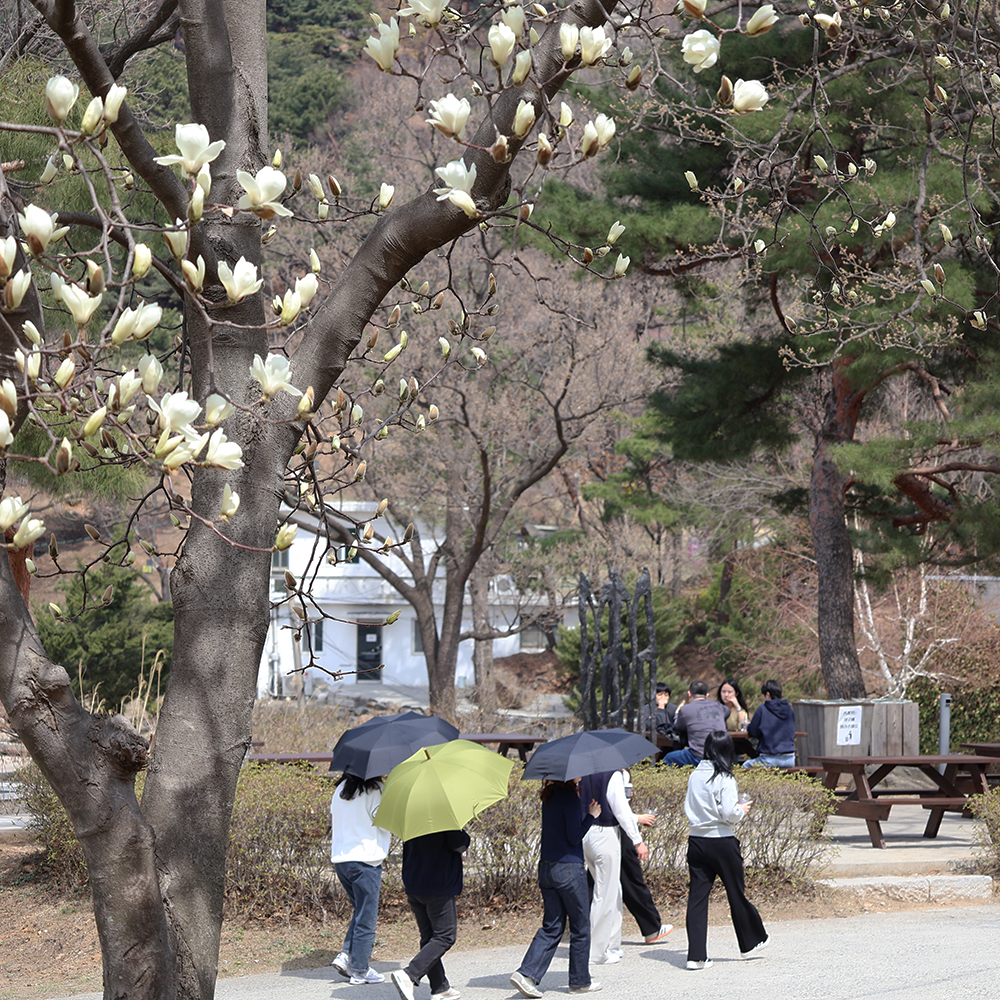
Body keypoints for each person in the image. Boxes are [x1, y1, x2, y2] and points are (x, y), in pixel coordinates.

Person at [509, 779, 603, 998]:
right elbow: (574, 836)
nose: (581, 776)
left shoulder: (548, 797)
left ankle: (526, 974)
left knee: (552, 926)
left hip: (547, 868)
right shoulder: (569, 798)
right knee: (580, 926)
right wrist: (591, 815)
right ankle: (579, 982)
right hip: (569, 869)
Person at [684, 731, 769, 970]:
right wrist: (742, 809)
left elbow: (688, 805)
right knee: (735, 893)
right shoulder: (725, 778)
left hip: (697, 841)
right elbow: (730, 814)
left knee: (697, 899)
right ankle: (751, 942)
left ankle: (696, 956)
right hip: (722, 841)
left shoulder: (694, 776)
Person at [390, 827, 470, 1000]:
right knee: (445, 936)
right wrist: (465, 838)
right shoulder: (444, 815)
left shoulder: (411, 815)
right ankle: (410, 974)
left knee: (429, 937)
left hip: (414, 882)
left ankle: (440, 987)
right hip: (437, 883)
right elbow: (457, 842)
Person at [579, 769, 647, 965]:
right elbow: (621, 810)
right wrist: (637, 840)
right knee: (606, 893)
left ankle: (612, 945)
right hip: (605, 833)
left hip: (586, 833)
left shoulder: (582, 771)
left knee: (611, 890)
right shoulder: (612, 773)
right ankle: (597, 951)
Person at [330, 773, 392, 985]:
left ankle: (346, 955)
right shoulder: (375, 789)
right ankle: (360, 970)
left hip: (342, 861)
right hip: (366, 862)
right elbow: (384, 823)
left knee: (360, 911)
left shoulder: (340, 789)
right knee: (366, 918)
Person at [619, 770, 673, 945]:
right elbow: (618, 809)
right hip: (620, 832)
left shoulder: (602, 772)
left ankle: (575, 925)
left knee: (597, 881)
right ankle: (652, 929)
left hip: (602, 834)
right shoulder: (615, 774)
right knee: (632, 881)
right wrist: (637, 833)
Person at [661, 680, 730, 767]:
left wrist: (677, 714)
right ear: (707, 695)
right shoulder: (720, 707)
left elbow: (678, 727)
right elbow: (728, 712)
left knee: (668, 758)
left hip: (698, 756)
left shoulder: (685, 709)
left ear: (689, 694)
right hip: (721, 755)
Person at [743, 679, 797, 768]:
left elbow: (752, 731)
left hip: (769, 758)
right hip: (790, 759)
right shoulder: (789, 709)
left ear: (767, 694)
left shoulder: (762, 709)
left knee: (745, 766)